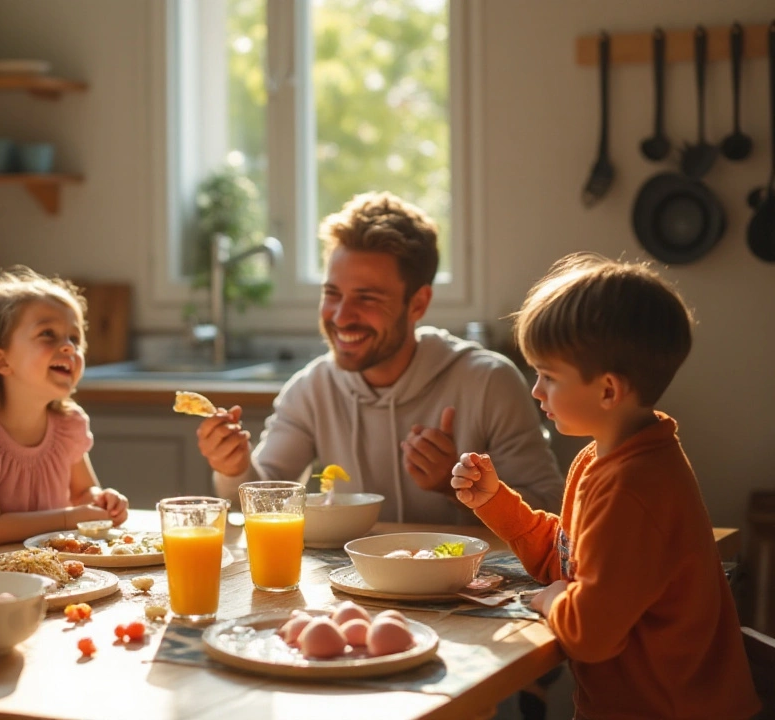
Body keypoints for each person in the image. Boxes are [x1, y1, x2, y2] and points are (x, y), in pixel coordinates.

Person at [451, 253, 760, 718]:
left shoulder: (632, 486)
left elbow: (589, 634)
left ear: (608, 390)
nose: (536, 391)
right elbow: (568, 559)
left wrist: (556, 599)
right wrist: (497, 502)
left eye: (548, 376)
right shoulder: (604, 458)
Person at [200, 191, 563, 523]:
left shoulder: (489, 382)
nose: (341, 317)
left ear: (418, 303)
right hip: (351, 590)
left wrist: (458, 487)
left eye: (367, 298)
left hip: (471, 590)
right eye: (332, 293)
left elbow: (551, 511)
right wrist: (233, 467)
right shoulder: (312, 389)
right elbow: (261, 500)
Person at [0, 267, 129, 555]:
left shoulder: (68, 426)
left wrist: (102, 501)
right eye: (48, 334)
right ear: (1, 361)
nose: (68, 348)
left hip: (40, 572)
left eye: (75, 338)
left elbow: (82, 493)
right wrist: (67, 519)